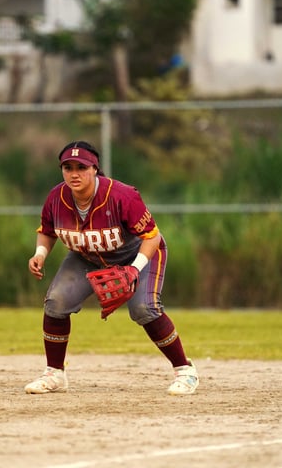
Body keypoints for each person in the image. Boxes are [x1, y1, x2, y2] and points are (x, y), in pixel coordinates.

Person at [25, 141, 199, 396]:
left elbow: (152, 237)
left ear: (94, 169)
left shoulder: (121, 195)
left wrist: (135, 269)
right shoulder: (56, 197)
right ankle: (54, 374)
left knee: (144, 309)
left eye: (81, 167)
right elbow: (47, 231)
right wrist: (40, 254)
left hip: (139, 254)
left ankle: (185, 370)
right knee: (56, 302)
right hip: (86, 257)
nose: (74, 174)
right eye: (68, 167)